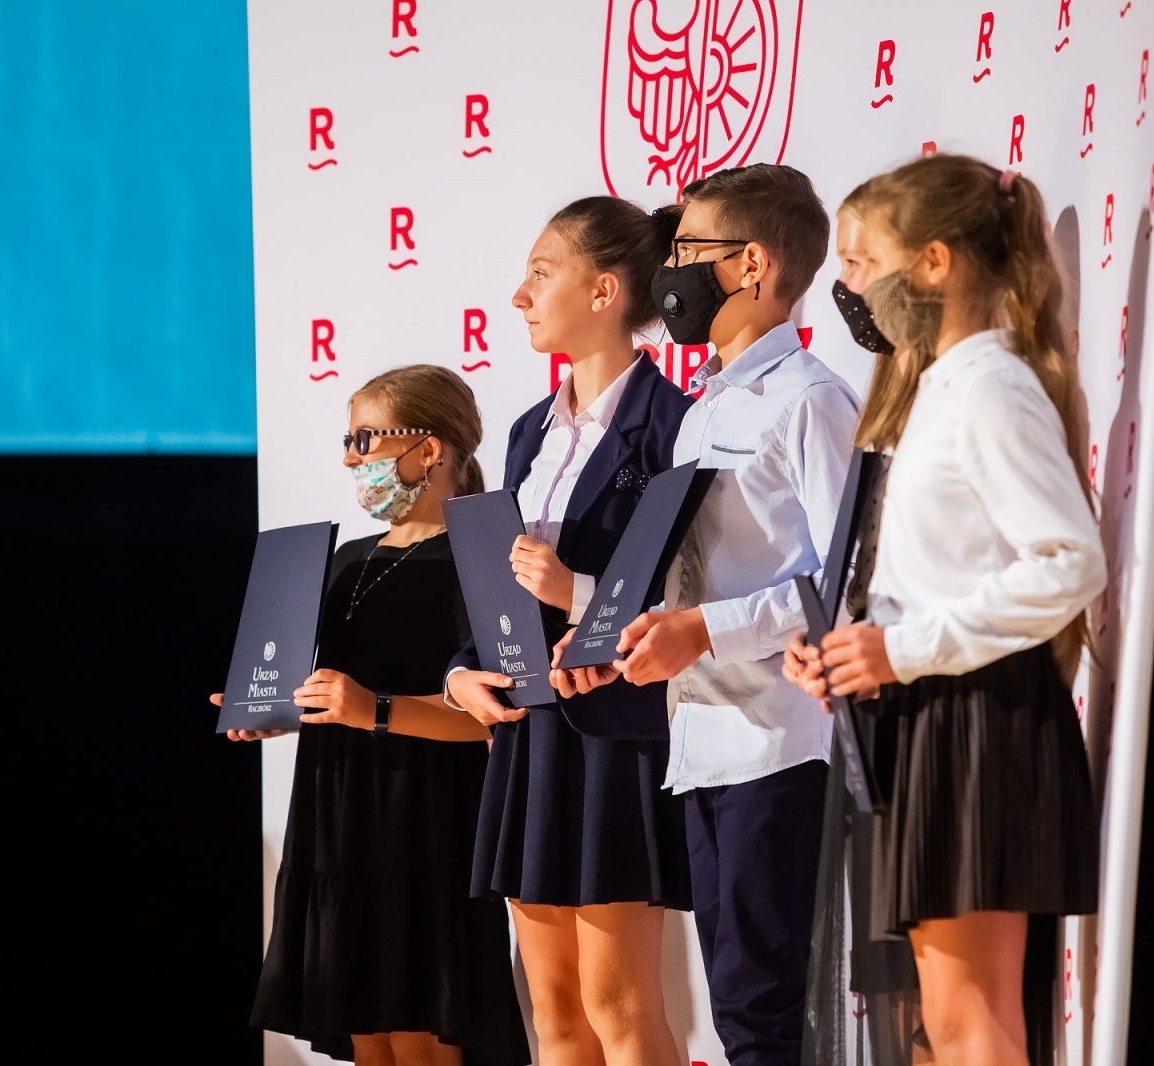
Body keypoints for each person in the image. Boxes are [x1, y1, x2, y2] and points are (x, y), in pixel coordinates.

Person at [787, 154, 1105, 1066]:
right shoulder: (940, 386)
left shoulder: (994, 386)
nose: (852, 286)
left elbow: (1069, 562)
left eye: (865, 261)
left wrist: (903, 648)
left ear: (932, 264)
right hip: (932, 711)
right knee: (943, 1020)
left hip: (980, 719)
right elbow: (936, 572)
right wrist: (855, 651)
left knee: (973, 1023)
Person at [555, 163, 861, 1066]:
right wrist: (620, 631)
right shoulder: (702, 411)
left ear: (753, 267)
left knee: (767, 1013)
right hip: (702, 741)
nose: (670, 271)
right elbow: (687, 572)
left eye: (689, 250)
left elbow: (843, 585)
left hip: (781, 740)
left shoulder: (810, 400)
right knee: (735, 1012)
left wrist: (706, 632)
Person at [215, 365, 530, 1066]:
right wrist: (274, 709)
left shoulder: (477, 556)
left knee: (420, 1032)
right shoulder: (346, 560)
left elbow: (492, 714)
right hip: (341, 812)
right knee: (370, 1035)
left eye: (366, 439)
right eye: (348, 441)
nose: (352, 458)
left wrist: (374, 710)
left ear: (429, 449)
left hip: (425, 817)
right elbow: (334, 688)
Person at [444, 196, 694, 1066]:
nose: (519, 294)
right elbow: (502, 584)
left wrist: (579, 589)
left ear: (604, 290)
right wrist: (463, 673)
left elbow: (694, 587)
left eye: (540, 273)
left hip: (614, 730)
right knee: (551, 1011)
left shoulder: (672, 423)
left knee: (618, 1005)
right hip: (529, 730)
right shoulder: (527, 431)